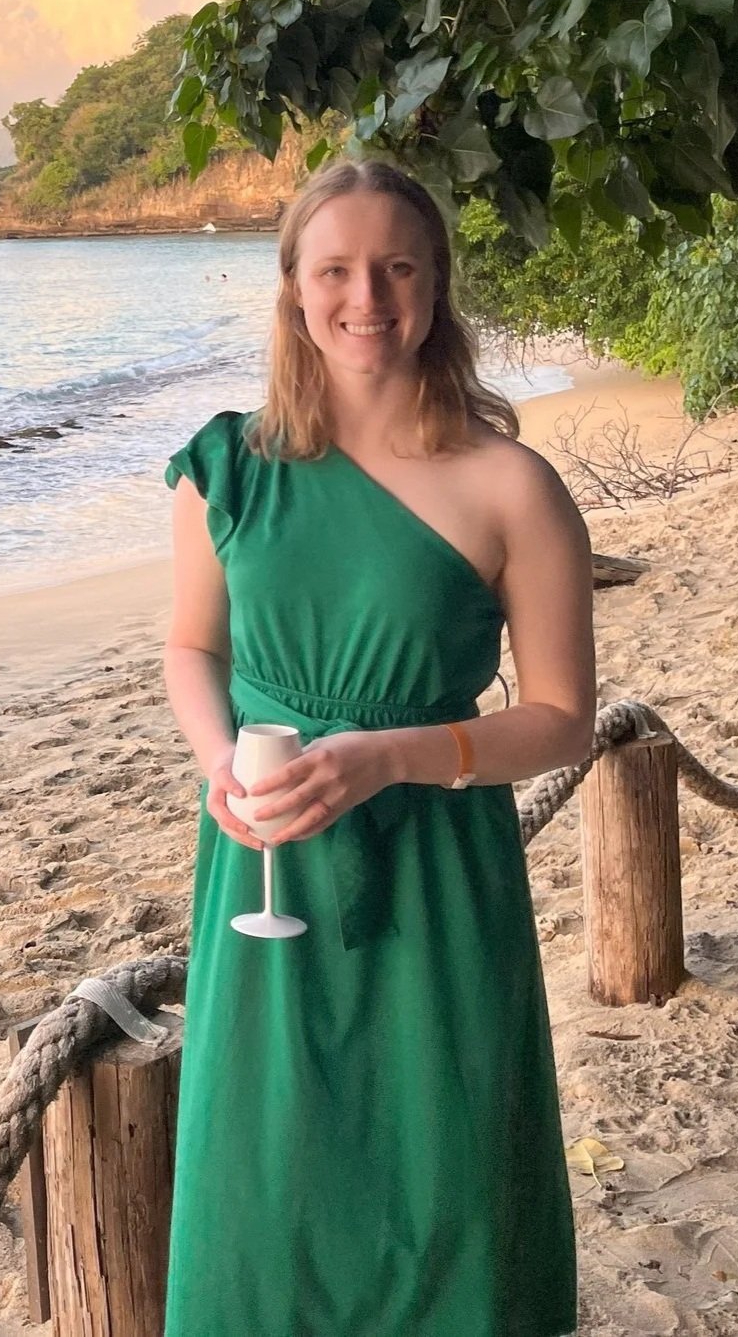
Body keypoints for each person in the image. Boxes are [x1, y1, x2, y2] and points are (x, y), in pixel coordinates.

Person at [162, 158, 597, 1337]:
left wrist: (390, 757)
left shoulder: (511, 485)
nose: (369, 297)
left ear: (436, 284)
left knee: (446, 1181)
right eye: (336, 269)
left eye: (397, 266)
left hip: (437, 874)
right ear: (294, 291)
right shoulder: (229, 469)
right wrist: (217, 764)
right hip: (262, 862)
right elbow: (191, 649)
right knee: (264, 1188)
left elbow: (563, 718)